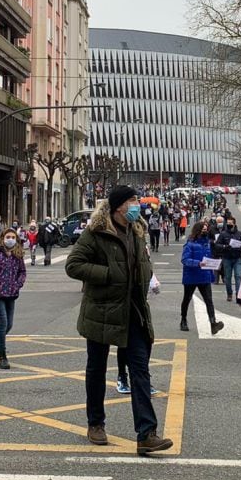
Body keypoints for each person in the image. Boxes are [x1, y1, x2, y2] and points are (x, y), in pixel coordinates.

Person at [64, 185, 173, 455]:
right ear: (118, 207)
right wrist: (109, 273)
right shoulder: (96, 232)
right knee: (97, 369)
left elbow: (141, 264)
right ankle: (96, 423)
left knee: (140, 371)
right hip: (102, 310)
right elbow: (73, 265)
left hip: (134, 311)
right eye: (133, 200)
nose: (137, 204)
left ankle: (146, 434)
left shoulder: (137, 230)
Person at [0, 227, 27, 369]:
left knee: (9, 325)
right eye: (8, 237)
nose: (11, 240)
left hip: (12, 294)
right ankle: (3, 357)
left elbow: (22, 272)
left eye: (13, 237)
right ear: (3, 238)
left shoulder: (17, 254)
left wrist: (18, 284)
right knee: (3, 323)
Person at [180, 221, 225, 334]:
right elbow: (185, 260)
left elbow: (209, 258)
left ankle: (213, 323)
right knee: (187, 299)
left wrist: (213, 267)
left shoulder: (208, 244)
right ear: (197, 231)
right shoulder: (190, 244)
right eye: (203, 230)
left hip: (204, 276)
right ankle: (183, 320)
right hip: (191, 276)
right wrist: (198, 263)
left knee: (209, 300)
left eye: (206, 229)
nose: (205, 231)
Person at [214, 216, 241, 302]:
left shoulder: (239, 233)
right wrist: (225, 246)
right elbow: (217, 245)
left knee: (238, 276)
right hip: (227, 258)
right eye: (227, 223)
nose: (228, 224)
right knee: (228, 277)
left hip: (237, 258)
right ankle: (229, 293)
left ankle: (238, 295)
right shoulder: (223, 234)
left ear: (234, 224)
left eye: (230, 223)